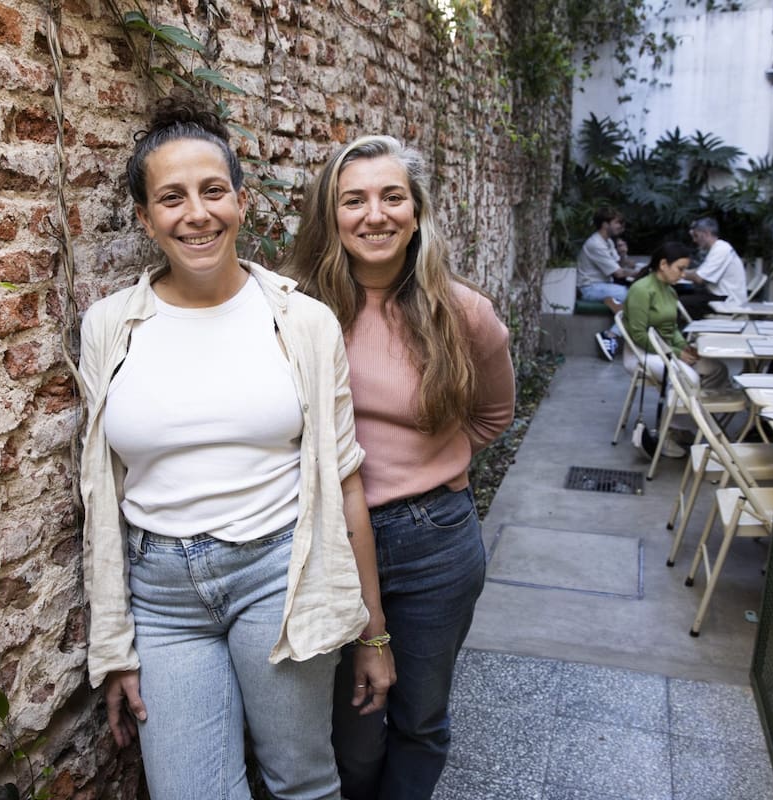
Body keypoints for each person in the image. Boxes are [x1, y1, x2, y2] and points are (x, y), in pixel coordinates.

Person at [75, 94, 394, 800]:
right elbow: (100, 496)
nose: (197, 213)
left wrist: (373, 635)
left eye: (214, 191)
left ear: (242, 202)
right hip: (160, 595)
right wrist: (115, 646)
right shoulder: (109, 327)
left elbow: (346, 487)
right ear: (145, 217)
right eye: (171, 198)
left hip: (278, 575)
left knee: (301, 780)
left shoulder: (302, 323)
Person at [285, 135, 515, 800]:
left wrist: (426, 471)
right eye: (353, 200)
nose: (374, 214)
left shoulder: (464, 313)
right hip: (330, 538)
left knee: (418, 718)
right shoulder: (297, 311)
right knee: (352, 729)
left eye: (393, 197)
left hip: (434, 542)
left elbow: (492, 416)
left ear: (417, 212)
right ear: (331, 216)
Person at [623, 241, 733, 458]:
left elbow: (671, 328)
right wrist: (675, 353)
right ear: (663, 264)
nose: (683, 274)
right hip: (642, 353)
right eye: (680, 268)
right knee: (689, 377)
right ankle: (669, 433)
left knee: (716, 369)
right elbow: (639, 335)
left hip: (665, 349)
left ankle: (682, 425)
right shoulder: (641, 290)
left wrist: (685, 347)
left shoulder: (669, 291)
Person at [577, 207, 640, 360]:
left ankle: (614, 306)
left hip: (604, 286)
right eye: (618, 223)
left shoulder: (608, 242)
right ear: (605, 224)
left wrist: (623, 254)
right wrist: (643, 273)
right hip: (590, 288)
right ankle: (610, 335)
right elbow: (618, 272)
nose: (621, 227)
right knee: (632, 295)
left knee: (632, 298)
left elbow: (622, 264)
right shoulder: (595, 244)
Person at [685, 217, 748, 306]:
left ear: (706, 233)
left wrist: (676, 272)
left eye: (696, 236)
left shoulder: (721, 249)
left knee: (679, 303)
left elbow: (699, 278)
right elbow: (699, 272)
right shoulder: (718, 248)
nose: (694, 240)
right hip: (720, 297)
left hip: (726, 301)